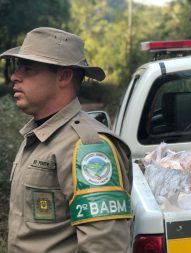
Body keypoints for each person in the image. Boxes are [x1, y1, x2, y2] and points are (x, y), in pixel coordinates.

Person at [1, 27, 133, 252]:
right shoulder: (37, 137)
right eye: (18, 67)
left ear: (64, 76)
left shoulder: (88, 147)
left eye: (29, 69)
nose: (15, 76)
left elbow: (104, 246)